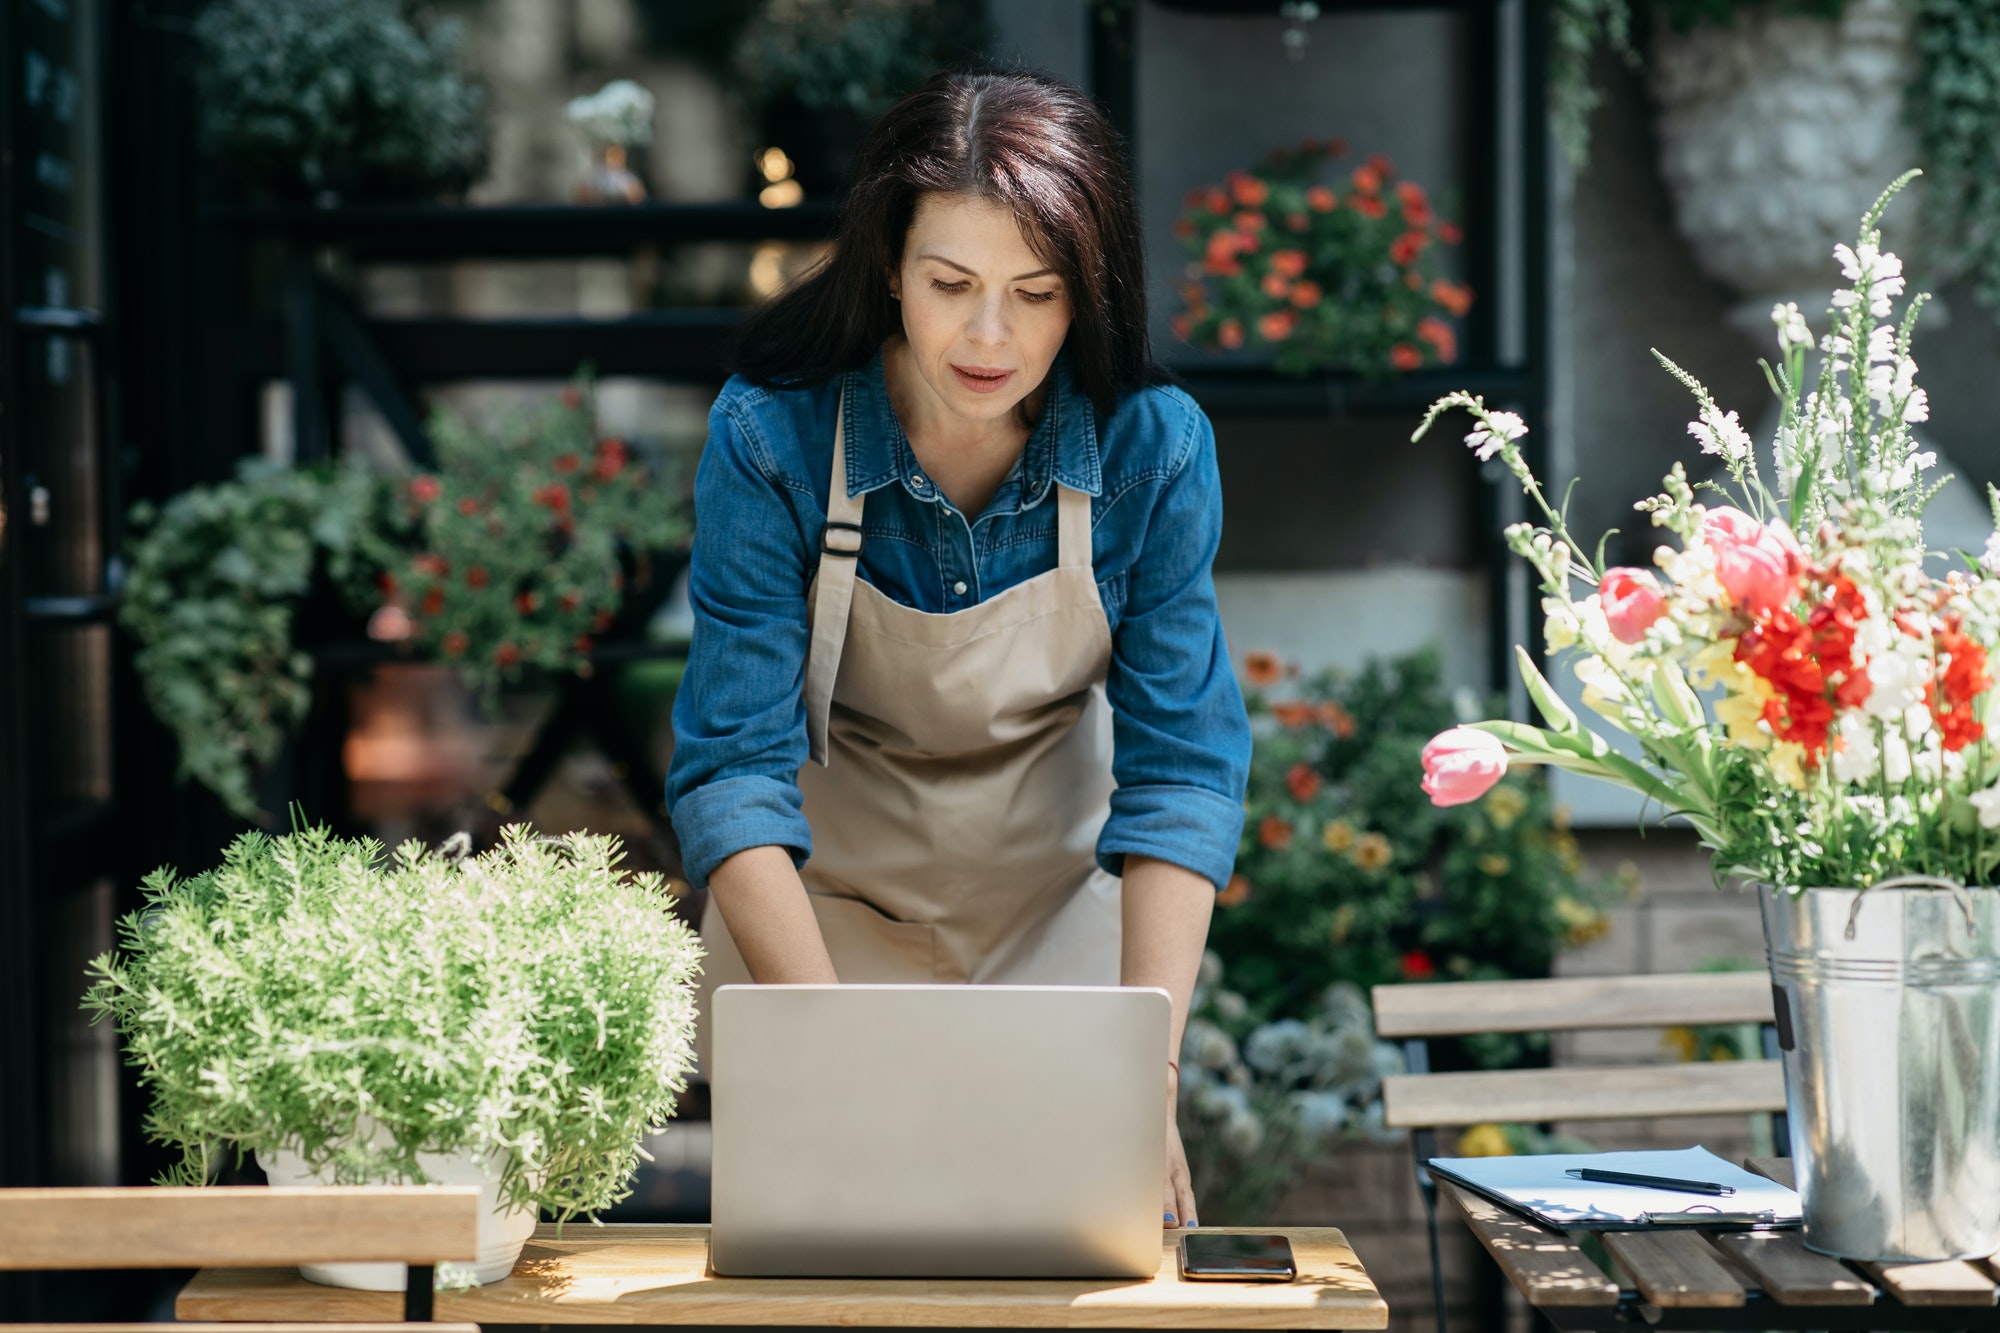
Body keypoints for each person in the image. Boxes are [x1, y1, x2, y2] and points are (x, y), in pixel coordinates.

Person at [666, 67, 1251, 1231]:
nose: (991, 336)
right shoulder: (771, 435)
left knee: (1062, 1275)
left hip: (1057, 931)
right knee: (835, 1269)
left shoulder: (1151, 449)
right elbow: (729, 765)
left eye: (1035, 294)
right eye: (951, 285)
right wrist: (821, 1048)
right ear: (889, 266)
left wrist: (1147, 1064)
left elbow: (1183, 769)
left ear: (1085, 291)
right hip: (819, 930)